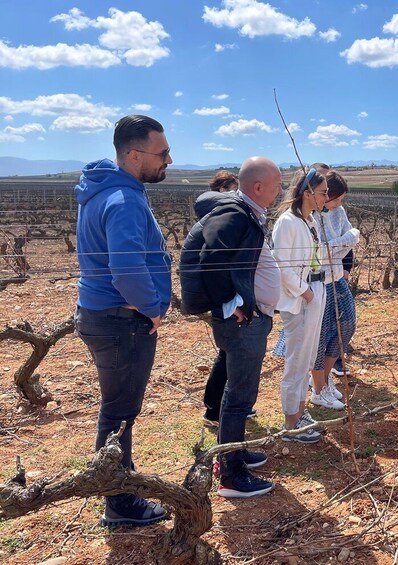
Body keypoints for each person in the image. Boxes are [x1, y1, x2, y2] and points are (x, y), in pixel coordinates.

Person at [73, 115, 172, 528]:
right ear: (134, 155)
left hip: (102, 315)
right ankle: (118, 502)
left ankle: (119, 485)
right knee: (119, 414)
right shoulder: (125, 200)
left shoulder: (103, 191)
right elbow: (127, 269)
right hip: (121, 322)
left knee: (116, 410)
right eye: (162, 153)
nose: (169, 159)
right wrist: (152, 307)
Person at [181, 157, 282, 498]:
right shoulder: (236, 213)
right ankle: (231, 475)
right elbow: (211, 258)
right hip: (242, 323)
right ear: (257, 187)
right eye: (277, 184)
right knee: (239, 397)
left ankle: (234, 453)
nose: (281, 190)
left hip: (248, 321)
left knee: (238, 394)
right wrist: (232, 301)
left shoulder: (245, 211)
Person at [197, 169, 258, 427]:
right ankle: (215, 411)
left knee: (227, 355)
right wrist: (231, 302)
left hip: (230, 299)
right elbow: (213, 265)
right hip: (226, 301)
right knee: (227, 356)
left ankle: (220, 407)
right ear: (218, 191)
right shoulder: (220, 220)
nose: (235, 196)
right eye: (230, 190)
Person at [272, 168, 329, 443]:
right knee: (296, 360)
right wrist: (305, 291)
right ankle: (290, 422)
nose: (326, 197)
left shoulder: (309, 221)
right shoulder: (288, 222)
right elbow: (280, 264)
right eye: (323, 192)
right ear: (307, 193)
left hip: (315, 290)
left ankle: (300, 411)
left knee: (307, 357)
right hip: (300, 298)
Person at [309, 170, 360, 409]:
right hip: (319, 282)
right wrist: (341, 243)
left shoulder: (338, 212)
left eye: (341, 200)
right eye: (335, 198)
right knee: (320, 336)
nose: (339, 204)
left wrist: (336, 246)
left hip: (337, 277)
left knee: (346, 325)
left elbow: (352, 236)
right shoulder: (310, 217)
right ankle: (318, 389)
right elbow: (320, 252)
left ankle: (326, 378)